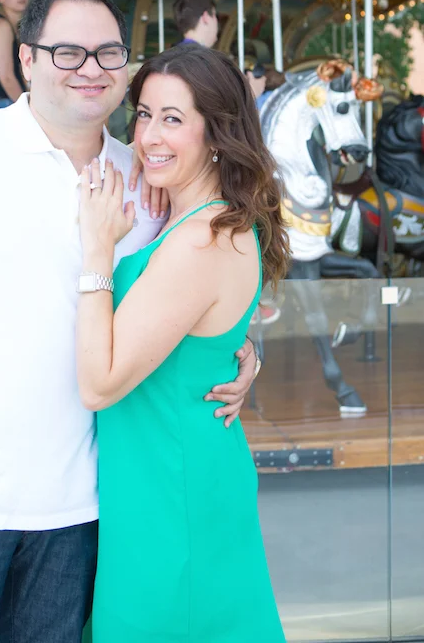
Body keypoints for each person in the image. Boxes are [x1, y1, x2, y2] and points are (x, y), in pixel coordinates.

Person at [0, 0, 259, 643]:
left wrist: (235, 354)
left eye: (108, 53)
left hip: (83, 512)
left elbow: (191, 297)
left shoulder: (148, 178)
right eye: (67, 51)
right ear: (28, 58)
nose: (90, 68)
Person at [77, 42, 290, 642]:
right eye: (144, 115)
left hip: (173, 489)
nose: (149, 137)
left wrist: (96, 250)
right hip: (161, 475)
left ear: (217, 133)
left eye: (173, 119)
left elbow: (99, 384)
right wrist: (243, 353)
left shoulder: (201, 239)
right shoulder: (203, 222)